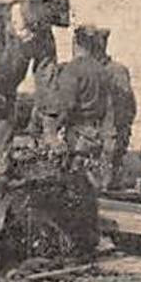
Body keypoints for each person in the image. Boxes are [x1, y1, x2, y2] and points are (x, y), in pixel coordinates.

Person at [0, 0, 69, 175]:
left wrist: (50, 132)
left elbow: (47, 80)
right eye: (45, 21)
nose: (46, 27)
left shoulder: (42, 34)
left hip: (5, 101)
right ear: (34, 7)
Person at [37, 25, 116, 186]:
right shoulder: (102, 71)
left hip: (77, 138)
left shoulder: (72, 70)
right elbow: (109, 109)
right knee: (91, 179)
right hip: (96, 135)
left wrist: (51, 132)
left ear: (75, 43)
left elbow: (66, 106)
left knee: (72, 181)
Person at [89, 26, 137, 183]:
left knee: (105, 175)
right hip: (111, 133)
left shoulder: (114, 71)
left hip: (108, 133)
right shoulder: (117, 70)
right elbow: (131, 106)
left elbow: (126, 105)